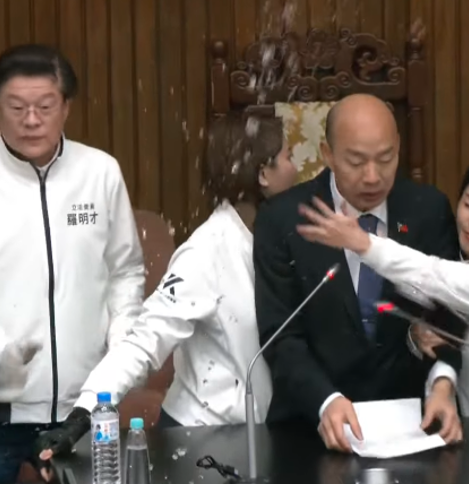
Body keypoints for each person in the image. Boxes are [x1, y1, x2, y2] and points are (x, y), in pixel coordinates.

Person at [31, 113, 298, 473]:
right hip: (206, 440)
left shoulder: (281, 239)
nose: (297, 168)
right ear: (263, 174)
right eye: (288, 157)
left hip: (264, 434)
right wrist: (82, 415)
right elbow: (144, 341)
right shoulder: (206, 252)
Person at [0, 44, 145, 484]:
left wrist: (122, 338)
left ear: (66, 107)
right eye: (17, 108)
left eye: (45, 107)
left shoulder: (101, 172)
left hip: (85, 406)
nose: (31, 120)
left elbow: (125, 270)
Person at [253, 93, 463, 452]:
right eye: (356, 161)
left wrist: (443, 383)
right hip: (310, 426)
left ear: (399, 148)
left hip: (414, 425)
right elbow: (281, 334)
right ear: (327, 153)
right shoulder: (283, 219)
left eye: (386, 159)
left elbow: (447, 318)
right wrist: (325, 400)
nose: (372, 176)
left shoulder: (428, 210)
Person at [296, 154, 469, 417]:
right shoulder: (463, 262)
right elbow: (445, 338)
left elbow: (435, 277)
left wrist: (363, 242)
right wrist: (420, 342)